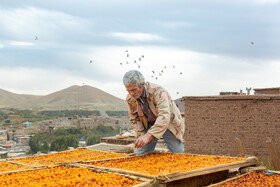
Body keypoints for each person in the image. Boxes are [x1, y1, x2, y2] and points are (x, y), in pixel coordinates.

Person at [123, 70, 185, 155]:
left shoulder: (158, 91)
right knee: (141, 155)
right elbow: (134, 119)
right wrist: (142, 136)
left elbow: (164, 116)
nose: (132, 93)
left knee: (178, 154)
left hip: (168, 123)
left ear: (142, 85)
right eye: (128, 91)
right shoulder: (130, 98)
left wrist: (149, 135)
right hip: (149, 124)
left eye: (134, 90)